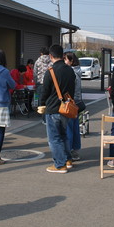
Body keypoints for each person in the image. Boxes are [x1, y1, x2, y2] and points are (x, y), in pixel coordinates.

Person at [38, 44, 76, 173]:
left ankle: (60, 165)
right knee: (64, 135)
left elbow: (45, 92)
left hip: (53, 109)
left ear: (50, 56)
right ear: (63, 55)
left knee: (54, 139)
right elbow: (72, 89)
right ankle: (68, 160)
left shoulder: (50, 72)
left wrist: (42, 104)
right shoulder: (70, 70)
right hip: (65, 108)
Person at [64, 51, 85, 161]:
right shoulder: (78, 70)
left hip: (71, 102)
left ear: (71, 61)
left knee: (69, 128)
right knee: (75, 127)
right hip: (77, 102)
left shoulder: (71, 72)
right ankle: (75, 150)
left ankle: (70, 151)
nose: (64, 61)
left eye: (66, 59)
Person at [34, 47, 53, 123]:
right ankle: (48, 117)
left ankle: (43, 118)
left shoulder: (38, 61)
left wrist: (36, 82)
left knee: (41, 101)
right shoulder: (52, 61)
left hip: (40, 84)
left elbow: (35, 74)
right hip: (50, 84)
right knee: (49, 100)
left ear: (41, 53)